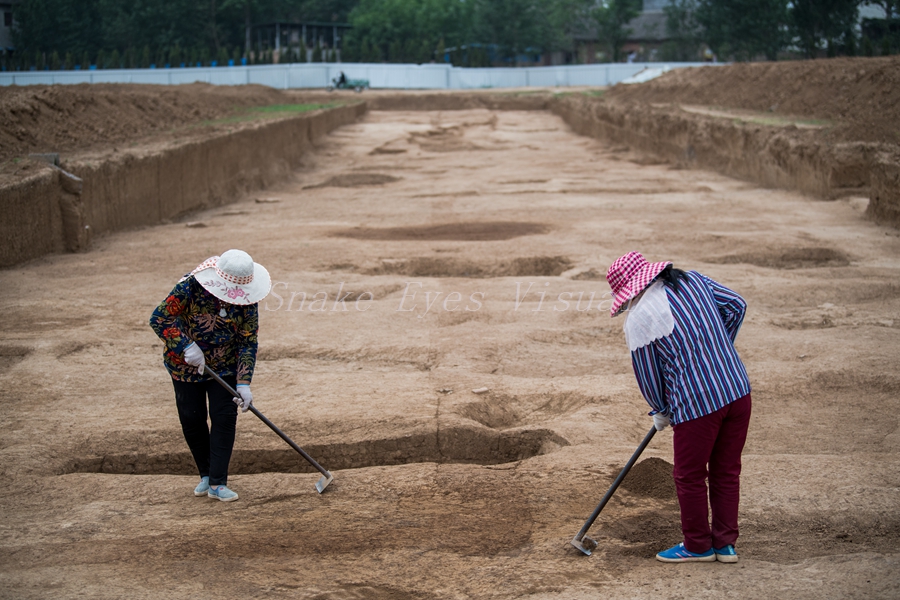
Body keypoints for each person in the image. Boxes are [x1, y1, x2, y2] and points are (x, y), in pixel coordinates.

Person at [606, 251, 751, 563]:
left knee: (689, 475)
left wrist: (660, 409)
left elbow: (648, 375)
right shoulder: (693, 279)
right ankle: (725, 545)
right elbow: (736, 305)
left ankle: (698, 546)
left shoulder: (640, 317)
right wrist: (719, 348)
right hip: (738, 390)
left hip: (697, 403)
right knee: (726, 470)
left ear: (632, 290)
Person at [150, 249, 271, 502]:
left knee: (224, 417)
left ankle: (218, 482)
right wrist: (185, 346)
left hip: (225, 366)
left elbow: (248, 341)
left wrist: (244, 382)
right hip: (185, 366)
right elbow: (160, 318)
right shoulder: (189, 287)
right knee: (192, 418)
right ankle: (205, 474)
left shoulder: (248, 299)